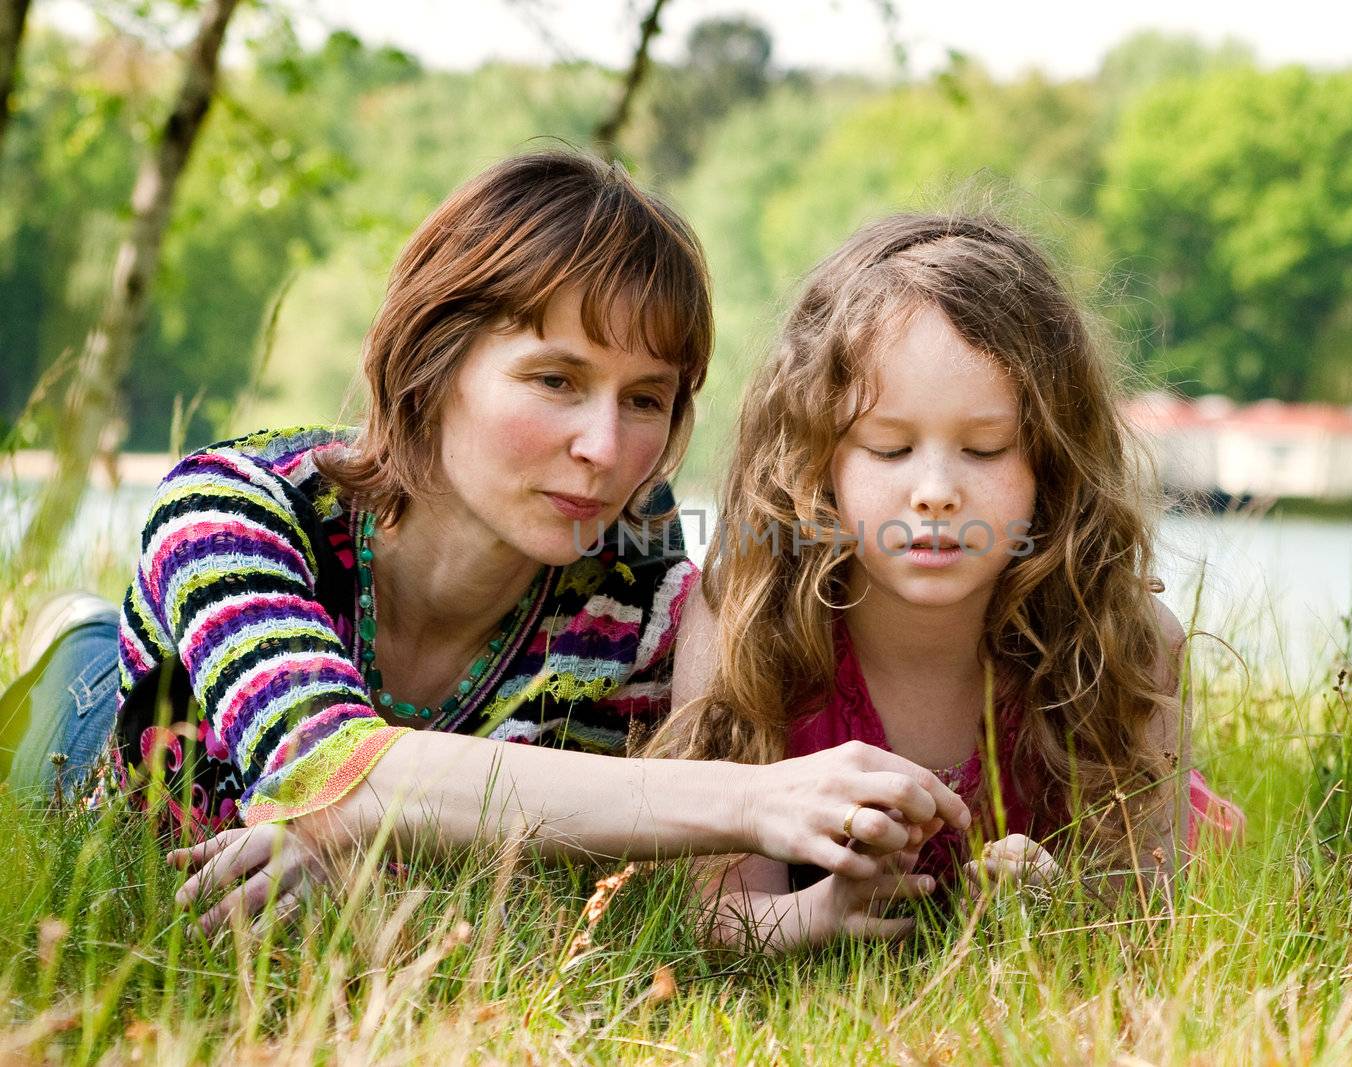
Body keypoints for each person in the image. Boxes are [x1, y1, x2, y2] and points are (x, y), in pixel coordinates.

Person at [0, 151, 967, 934]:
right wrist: (752, 798)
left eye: (645, 400)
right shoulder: (230, 510)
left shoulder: (644, 607)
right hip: (103, 738)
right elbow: (335, 773)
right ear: (433, 360)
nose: (603, 447)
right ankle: (80, 645)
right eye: (554, 379)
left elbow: (574, 885)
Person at [648, 213, 1243, 954]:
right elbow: (716, 914)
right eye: (890, 447)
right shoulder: (744, 624)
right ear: (816, 461)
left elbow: (1150, 917)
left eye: (985, 448)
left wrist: (1056, 913)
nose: (935, 491)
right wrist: (823, 914)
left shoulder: (1124, 642)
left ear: (1051, 465)